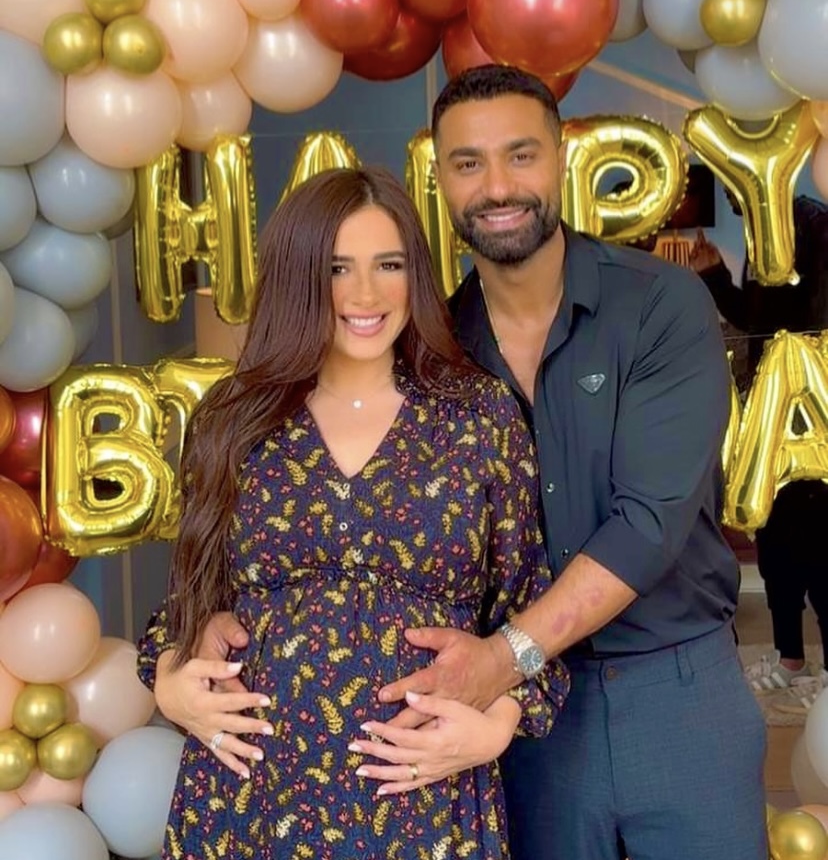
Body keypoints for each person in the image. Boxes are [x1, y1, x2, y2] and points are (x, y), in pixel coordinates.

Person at [148, 65, 768, 860]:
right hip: (418, 757)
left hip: (663, 686)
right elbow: (193, 593)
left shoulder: (652, 307)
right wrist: (174, 667)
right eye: (469, 162)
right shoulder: (436, 353)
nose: (498, 185)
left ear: (563, 158)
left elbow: (647, 525)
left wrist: (503, 677)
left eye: (521, 154)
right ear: (439, 178)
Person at [136, 165, 569, 860]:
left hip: (423, 801)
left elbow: (529, 605)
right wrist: (170, 683)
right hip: (252, 799)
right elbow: (189, 607)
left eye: (388, 265)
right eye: (338, 268)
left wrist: (499, 726)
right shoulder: (234, 419)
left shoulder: (478, 416)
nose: (366, 294)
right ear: (298, 277)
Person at [690, 197, 828, 705]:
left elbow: (787, 317)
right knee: (777, 548)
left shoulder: (809, 225)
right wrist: (716, 276)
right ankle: (791, 659)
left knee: (816, 548)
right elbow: (758, 319)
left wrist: (714, 278)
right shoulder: (769, 226)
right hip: (773, 415)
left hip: (804, 412)